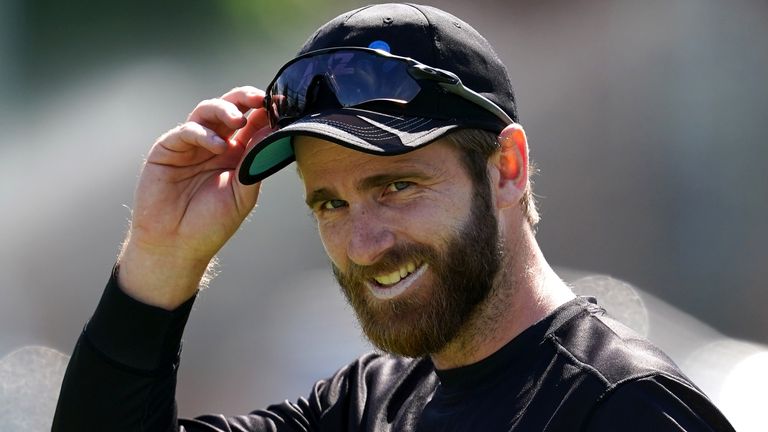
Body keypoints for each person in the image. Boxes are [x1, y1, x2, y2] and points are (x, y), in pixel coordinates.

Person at [52, 3, 735, 431]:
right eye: (330, 202)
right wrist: (162, 255)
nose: (364, 241)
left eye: (396, 185)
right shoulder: (362, 406)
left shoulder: (625, 408)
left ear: (507, 169)